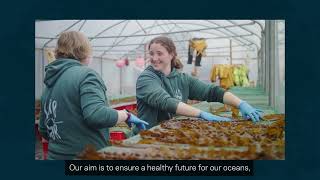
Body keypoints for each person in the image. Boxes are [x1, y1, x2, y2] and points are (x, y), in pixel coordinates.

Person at [38, 31, 148, 160]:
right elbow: (96, 115)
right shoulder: (86, 75)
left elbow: (44, 129)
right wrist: (126, 115)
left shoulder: (51, 81)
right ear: (84, 52)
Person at [136, 36, 262, 129]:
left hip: (168, 133)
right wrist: (201, 114)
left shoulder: (182, 79)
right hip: (144, 136)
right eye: (151, 54)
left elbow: (212, 92)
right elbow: (165, 101)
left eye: (159, 53)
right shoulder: (146, 78)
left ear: (171, 54)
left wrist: (241, 104)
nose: (154, 58)